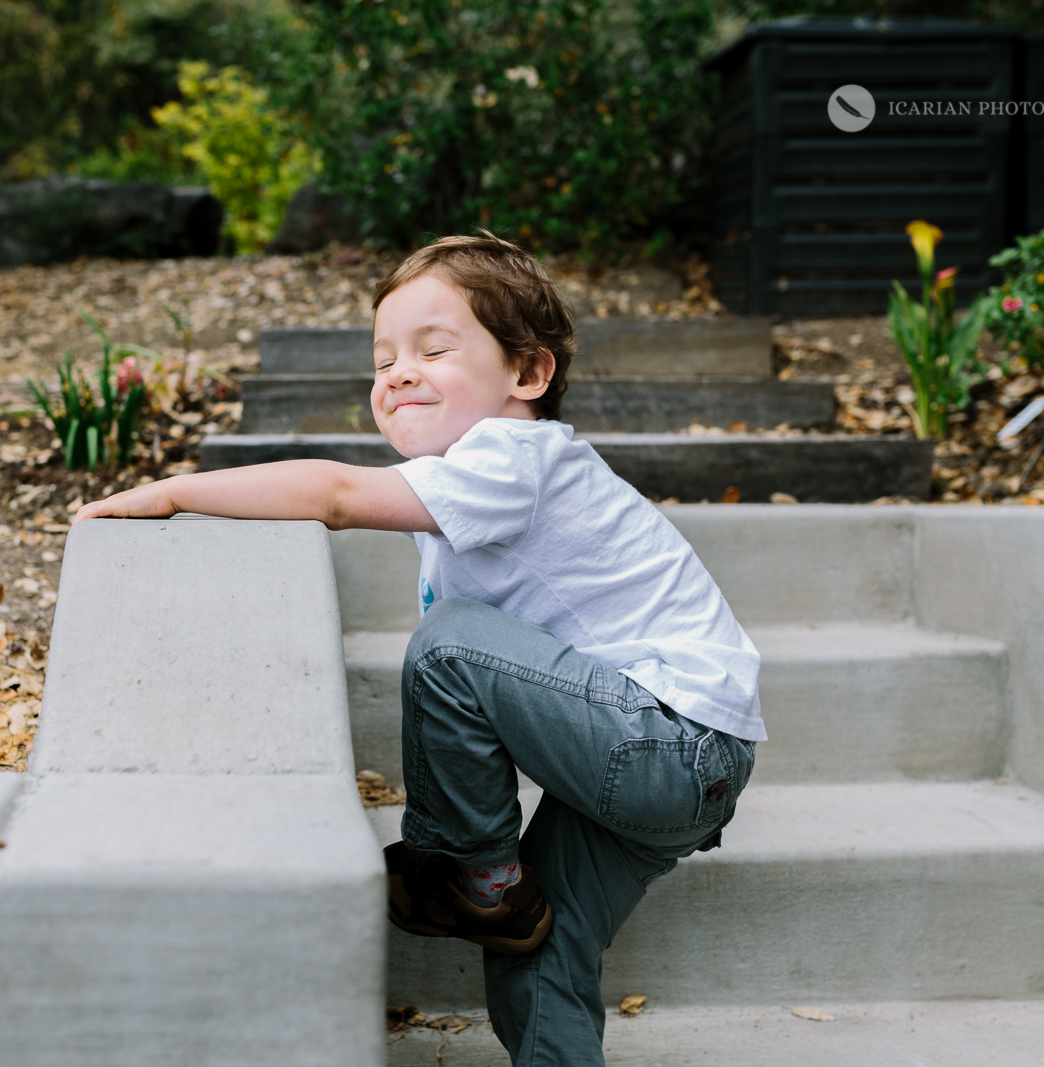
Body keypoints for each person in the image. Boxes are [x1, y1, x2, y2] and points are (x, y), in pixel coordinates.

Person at [73, 232, 764, 1066]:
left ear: (528, 375)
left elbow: (331, 494)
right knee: (533, 950)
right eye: (383, 359)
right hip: (682, 761)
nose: (398, 372)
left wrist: (176, 491)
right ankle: (502, 914)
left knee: (449, 648)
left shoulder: (512, 455)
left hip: (667, 739)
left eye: (434, 349)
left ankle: (463, 870)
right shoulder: (469, 485)